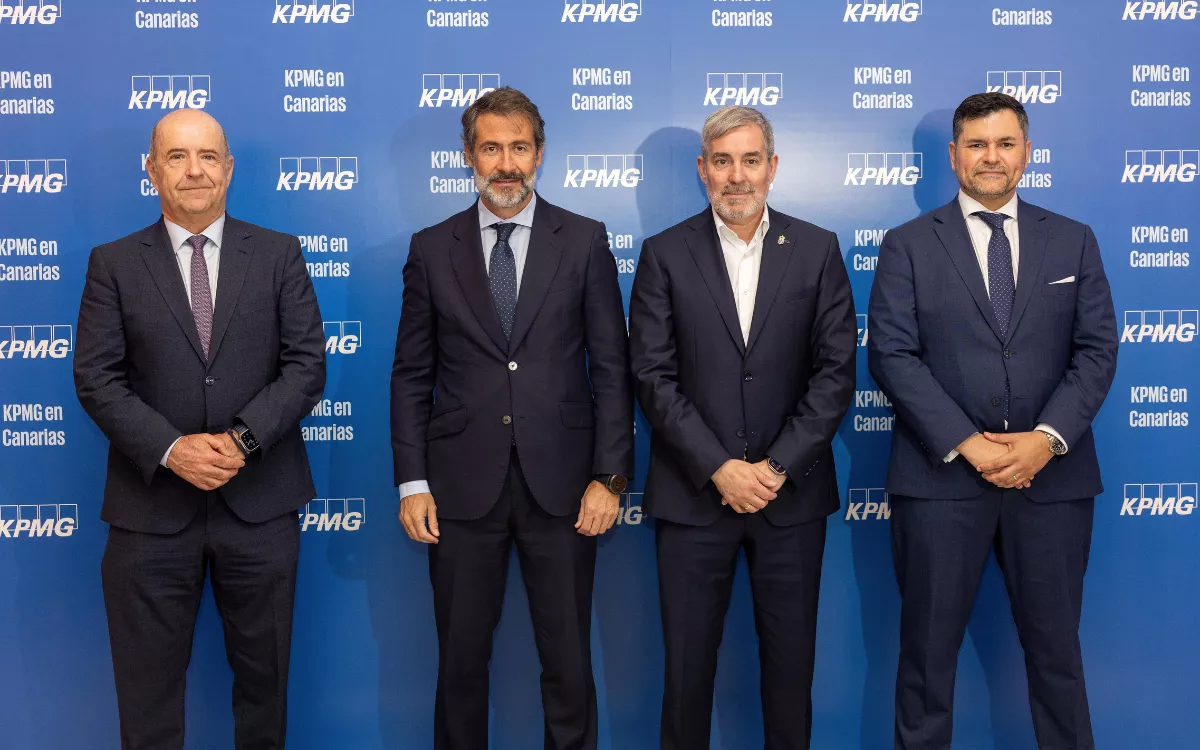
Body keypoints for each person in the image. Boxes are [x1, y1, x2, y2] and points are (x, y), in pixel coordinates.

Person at [867, 92, 1118, 749]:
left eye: (1005, 144)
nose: (991, 157)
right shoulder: (907, 246)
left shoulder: (1074, 240)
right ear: (954, 156)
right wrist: (967, 444)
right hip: (940, 484)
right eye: (976, 145)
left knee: (1058, 660)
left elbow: (1097, 352)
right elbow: (891, 355)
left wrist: (1045, 441)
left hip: (1052, 484)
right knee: (926, 663)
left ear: (1027, 153)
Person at [73, 109, 327, 749]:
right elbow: (96, 378)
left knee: (264, 696)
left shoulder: (278, 254)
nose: (194, 171)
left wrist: (242, 442)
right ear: (151, 169)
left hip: (260, 509)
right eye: (177, 156)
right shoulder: (113, 263)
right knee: (148, 703)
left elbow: (306, 366)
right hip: (149, 515)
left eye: (208, 156)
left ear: (229, 168)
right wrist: (171, 449)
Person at [390, 86, 634, 750]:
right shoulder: (431, 248)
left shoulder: (583, 240)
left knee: (568, 664)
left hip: (566, 489)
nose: (506, 164)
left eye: (519, 148)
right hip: (460, 490)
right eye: (491, 148)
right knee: (460, 665)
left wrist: (610, 478)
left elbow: (613, 369)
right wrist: (412, 482)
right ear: (469, 156)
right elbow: (411, 375)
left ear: (540, 154)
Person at [628, 105, 857, 750]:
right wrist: (719, 467)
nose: (737, 176)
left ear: (772, 167)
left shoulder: (817, 249)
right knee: (686, 678)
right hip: (694, 497)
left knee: (790, 676)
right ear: (703, 169)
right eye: (723, 161)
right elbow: (651, 375)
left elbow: (836, 372)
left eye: (750, 160)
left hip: (792, 499)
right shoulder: (664, 254)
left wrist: (776, 467)